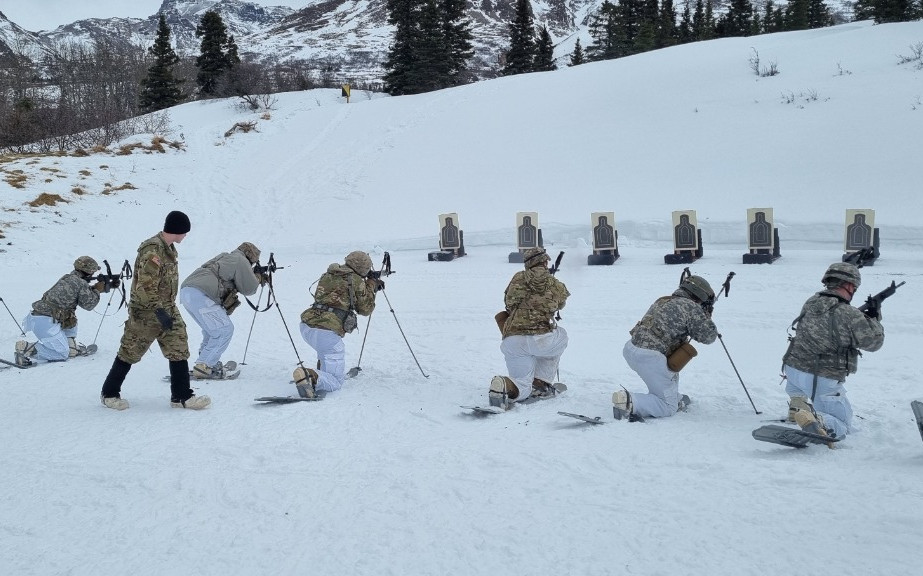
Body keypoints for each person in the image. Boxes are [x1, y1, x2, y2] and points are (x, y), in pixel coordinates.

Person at [99, 210, 210, 410]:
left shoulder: (168, 248)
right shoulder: (153, 250)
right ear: (177, 230)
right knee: (130, 351)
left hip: (167, 307)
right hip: (146, 311)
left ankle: (182, 396)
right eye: (184, 232)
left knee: (179, 346)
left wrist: (165, 310)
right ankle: (109, 393)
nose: (185, 236)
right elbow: (145, 285)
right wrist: (158, 311)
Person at [781, 262, 884, 439]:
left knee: (801, 388)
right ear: (850, 285)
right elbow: (874, 343)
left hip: (792, 370)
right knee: (842, 423)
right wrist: (874, 317)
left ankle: (797, 406)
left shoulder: (811, 301)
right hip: (821, 377)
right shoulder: (849, 313)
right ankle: (820, 422)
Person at [614, 274, 718, 420]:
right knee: (667, 407)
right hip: (650, 357)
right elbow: (709, 337)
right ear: (700, 295)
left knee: (669, 369)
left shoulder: (663, 300)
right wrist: (706, 316)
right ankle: (628, 402)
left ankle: (673, 397)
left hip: (632, 349)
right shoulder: (691, 307)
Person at [489, 247, 570, 409]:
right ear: (546, 262)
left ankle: (505, 386)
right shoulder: (554, 283)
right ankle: (541, 382)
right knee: (562, 336)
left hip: (513, 339)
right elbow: (561, 304)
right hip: (543, 339)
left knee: (521, 385)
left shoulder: (518, 278)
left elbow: (509, 304)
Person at [294, 251, 382, 398]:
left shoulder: (328, 274)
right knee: (335, 382)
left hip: (308, 326)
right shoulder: (356, 280)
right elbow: (365, 309)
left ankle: (319, 375)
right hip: (327, 331)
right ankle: (308, 375)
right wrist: (371, 286)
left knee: (325, 353)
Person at [179, 242, 264, 379]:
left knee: (212, 330)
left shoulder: (226, 256)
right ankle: (205, 365)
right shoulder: (241, 260)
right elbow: (249, 288)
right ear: (250, 257)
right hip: (202, 294)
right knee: (224, 330)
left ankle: (205, 360)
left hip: (188, 292)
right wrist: (258, 277)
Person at [14, 256, 113, 366]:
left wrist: (97, 288)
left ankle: (71, 347)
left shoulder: (68, 278)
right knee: (61, 354)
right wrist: (98, 290)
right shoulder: (80, 283)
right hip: (45, 321)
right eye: (93, 271)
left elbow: (81, 294)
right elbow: (88, 305)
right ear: (89, 272)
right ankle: (26, 348)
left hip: (41, 317)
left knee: (70, 315)